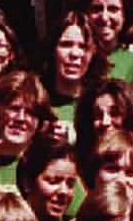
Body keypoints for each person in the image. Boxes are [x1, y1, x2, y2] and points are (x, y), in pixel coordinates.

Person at [35, 8, 105, 137]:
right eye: (66, 45)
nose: (75, 54)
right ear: (52, 49)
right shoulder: (35, 102)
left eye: (84, 47)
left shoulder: (101, 107)